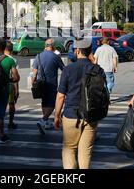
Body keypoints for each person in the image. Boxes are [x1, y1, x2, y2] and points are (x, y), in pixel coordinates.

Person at [54, 38, 105, 169]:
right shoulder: (98, 70)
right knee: (85, 151)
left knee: (69, 149)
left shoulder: (68, 69)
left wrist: (57, 115)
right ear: (90, 52)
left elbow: (60, 96)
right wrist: (94, 63)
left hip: (71, 114)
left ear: (77, 51)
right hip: (91, 115)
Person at [32, 39, 65, 134]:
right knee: (53, 104)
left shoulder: (38, 56)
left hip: (41, 84)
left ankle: (45, 123)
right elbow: (64, 70)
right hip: (51, 84)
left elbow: (34, 72)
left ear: (45, 45)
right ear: (53, 46)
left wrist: (33, 83)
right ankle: (43, 119)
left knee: (44, 102)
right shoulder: (56, 57)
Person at [5, 41, 19, 129]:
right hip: (10, 86)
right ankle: (10, 122)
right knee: (11, 104)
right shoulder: (13, 60)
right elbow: (15, 77)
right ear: (12, 50)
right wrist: (17, 90)